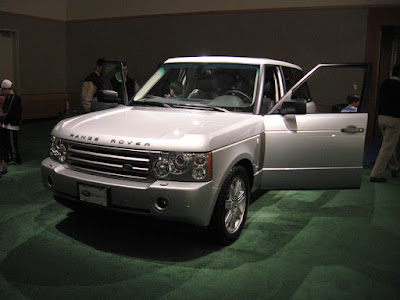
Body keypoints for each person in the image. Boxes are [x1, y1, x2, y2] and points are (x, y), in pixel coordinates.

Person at [370, 64, 400, 183]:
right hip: (394, 119)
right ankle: (376, 174)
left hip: (381, 118)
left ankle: (395, 168)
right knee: (387, 147)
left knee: (388, 144)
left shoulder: (384, 84)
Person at [0, 79, 22, 166]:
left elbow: (8, 112)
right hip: (9, 124)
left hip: (11, 125)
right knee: (10, 142)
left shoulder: (13, 98)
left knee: (12, 143)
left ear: (6, 89)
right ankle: (12, 158)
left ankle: (15, 159)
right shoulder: (11, 98)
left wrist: (2, 120)